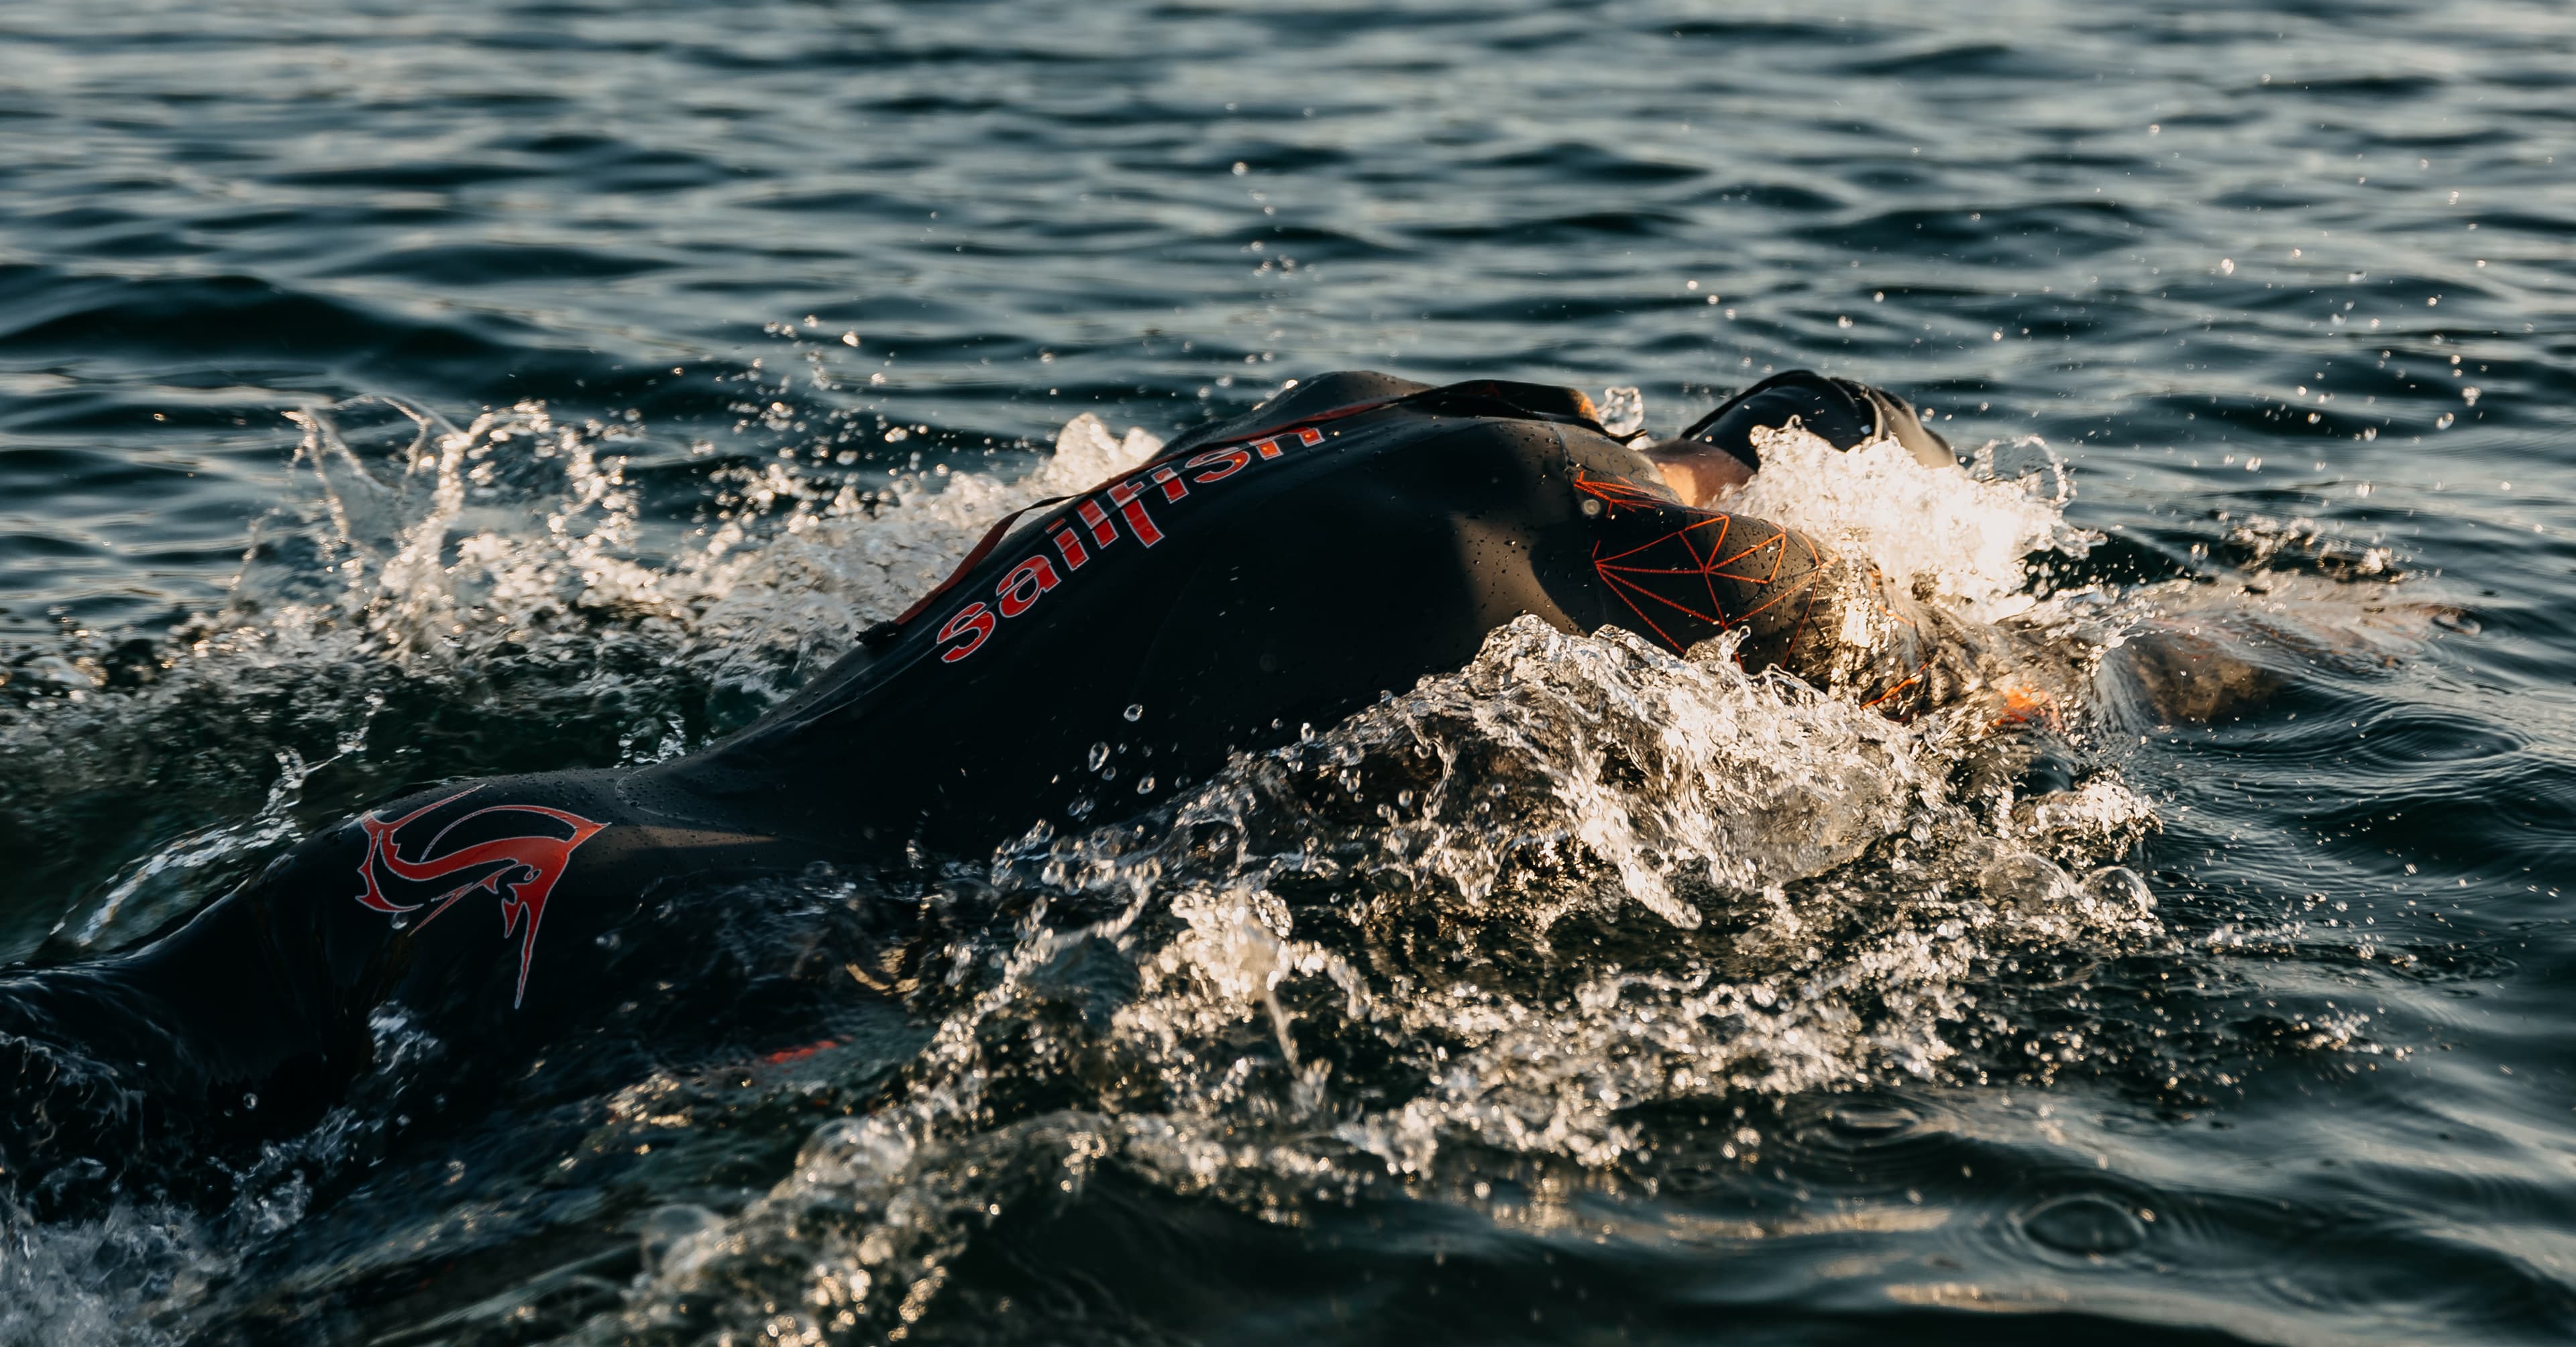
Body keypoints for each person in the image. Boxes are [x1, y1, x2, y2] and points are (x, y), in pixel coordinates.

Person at [0, 368, 1994, 1195]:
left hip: (515, 824)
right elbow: (1968, 706)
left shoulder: (1338, 416)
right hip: (711, 936)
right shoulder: (1662, 525)